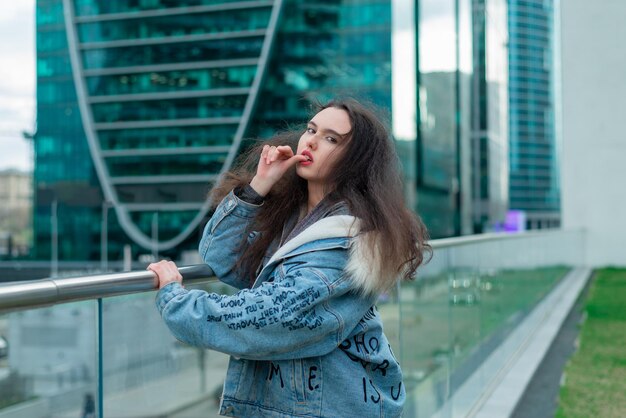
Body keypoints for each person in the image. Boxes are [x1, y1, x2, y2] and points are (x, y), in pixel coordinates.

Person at [148, 99, 431, 417]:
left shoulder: (342, 245)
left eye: (331, 138)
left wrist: (175, 299)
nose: (309, 140)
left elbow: (266, 318)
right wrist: (259, 186)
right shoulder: (292, 221)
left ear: (356, 161)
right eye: (311, 129)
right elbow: (220, 258)